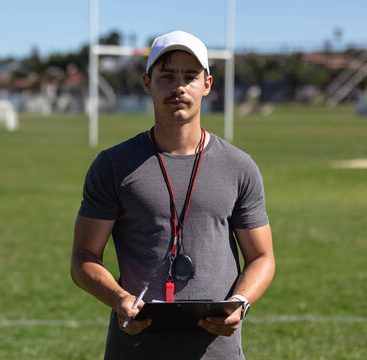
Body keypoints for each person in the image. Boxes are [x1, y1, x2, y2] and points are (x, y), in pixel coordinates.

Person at [70, 30, 275, 359]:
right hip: (136, 347)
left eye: (190, 76)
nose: (179, 87)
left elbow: (262, 257)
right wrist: (119, 299)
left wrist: (241, 302)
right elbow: (83, 257)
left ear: (207, 84)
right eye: (166, 76)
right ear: (147, 83)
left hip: (216, 350)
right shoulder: (113, 165)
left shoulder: (240, 166)